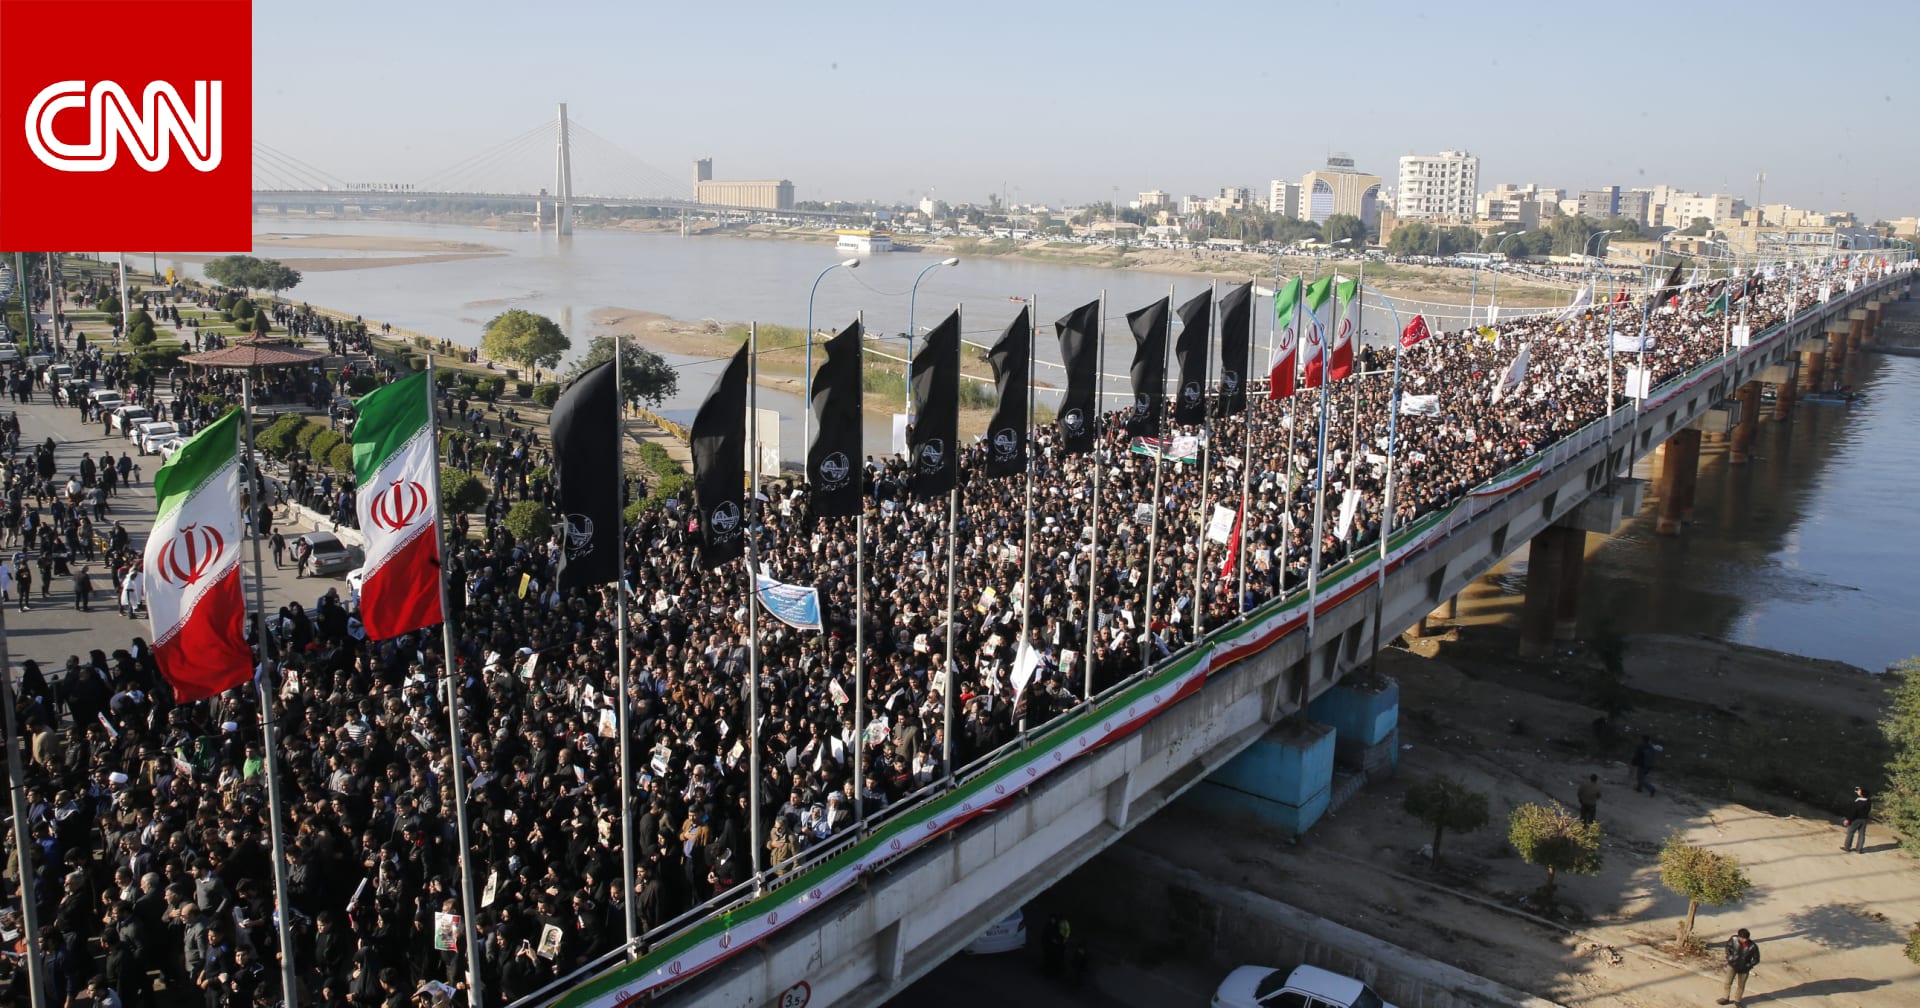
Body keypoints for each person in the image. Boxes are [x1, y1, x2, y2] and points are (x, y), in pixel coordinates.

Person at [1718, 927, 1760, 1005]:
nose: (1744, 940)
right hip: (1732, 965)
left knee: (1741, 986)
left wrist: (1749, 965)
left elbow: (1756, 959)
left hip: (1744, 968)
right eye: (1742, 938)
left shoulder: (1753, 946)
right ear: (1739, 936)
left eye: (1746, 938)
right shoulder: (1733, 939)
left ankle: (1737, 1001)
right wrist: (1729, 956)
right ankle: (1725, 998)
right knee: (1727, 982)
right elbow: (1728, 947)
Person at [1841, 786, 1871, 853]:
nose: (1858, 791)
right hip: (1864, 820)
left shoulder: (1858, 802)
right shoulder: (1869, 801)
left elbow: (1853, 812)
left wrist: (1848, 819)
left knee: (1850, 833)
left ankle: (1847, 847)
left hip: (1856, 819)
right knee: (1862, 834)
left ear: (1862, 794)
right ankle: (1859, 849)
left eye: (1860, 791)